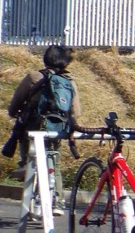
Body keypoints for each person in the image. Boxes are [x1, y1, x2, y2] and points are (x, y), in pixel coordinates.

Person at [6, 45, 81, 179]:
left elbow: (15, 103)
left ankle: (26, 174)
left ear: (46, 58)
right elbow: (76, 112)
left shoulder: (33, 77)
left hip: (32, 129)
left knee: (29, 162)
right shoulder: (70, 83)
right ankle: (56, 193)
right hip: (58, 131)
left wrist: (13, 114)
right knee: (53, 165)